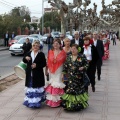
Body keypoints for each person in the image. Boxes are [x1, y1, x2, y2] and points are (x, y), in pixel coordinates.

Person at [61, 44, 89, 111]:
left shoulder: (81, 56)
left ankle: (78, 105)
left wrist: (83, 67)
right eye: (72, 49)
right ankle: (70, 105)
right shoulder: (69, 57)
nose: (73, 50)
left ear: (78, 49)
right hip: (70, 78)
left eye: (74, 49)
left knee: (78, 91)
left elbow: (87, 64)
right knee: (70, 90)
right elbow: (65, 66)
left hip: (79, 78)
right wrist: (63, 73)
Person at [23, 40, 46, 108]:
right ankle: (30, 102)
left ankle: (36, 102)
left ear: (39, 47)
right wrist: (25, 58)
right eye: (34, 45)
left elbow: (44, 64)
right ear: (32, 46)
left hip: (38, 74)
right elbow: (23, 60)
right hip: (30, 73)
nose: (35, 47)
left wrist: (37, 65)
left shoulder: (41, 54)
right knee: (31, 88)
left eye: (37, 46)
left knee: (36, 88)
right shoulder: (29, 53)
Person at [45, 38, 66, 107]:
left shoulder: (63, 53)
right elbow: (48, 62)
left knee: (57, 84)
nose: (55, 45)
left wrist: (64, 72)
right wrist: (46, 70)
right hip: (51, 71)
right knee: (52, 84)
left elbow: (65, 63)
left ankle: (58, 101)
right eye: (54, 43)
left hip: (59, 70)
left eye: (57, 43)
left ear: (60, 45)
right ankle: (51, 101)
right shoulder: (50, 51)